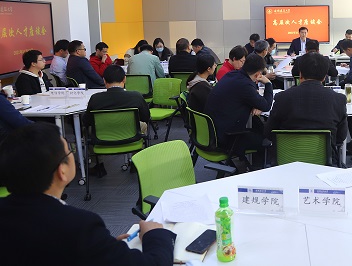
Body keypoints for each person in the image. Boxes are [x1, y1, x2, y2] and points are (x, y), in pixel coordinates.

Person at [0, 123, 175, 265]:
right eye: (70, 151)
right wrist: (155, 235)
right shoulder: (79, 226)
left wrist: (102, 247)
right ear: (62, 171)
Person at [266, 52, 348, 147]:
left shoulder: (282, 97)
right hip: (324, 155)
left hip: (288, 154)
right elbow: (341, 137)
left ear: (300, 74)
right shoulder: (339, 99)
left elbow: (269, 132)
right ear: (324, 77)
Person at [204, 54, 273, 158]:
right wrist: (268, 83)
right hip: (228, 137)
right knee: (266, 139)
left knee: (258, 126)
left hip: (212, 130)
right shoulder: (244, 85)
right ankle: (257, 166)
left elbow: (243, 96)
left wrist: (254, 103)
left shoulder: (231, 74)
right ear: (258, 74)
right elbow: (266, 105)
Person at [84, 65, 150, 135]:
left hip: (103, 135)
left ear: (104, 80)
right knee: (143, 125)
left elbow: (86, 121)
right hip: (130, 135)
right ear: (124, 79)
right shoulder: (136, 96)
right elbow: (146, 117)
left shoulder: (95, 99)